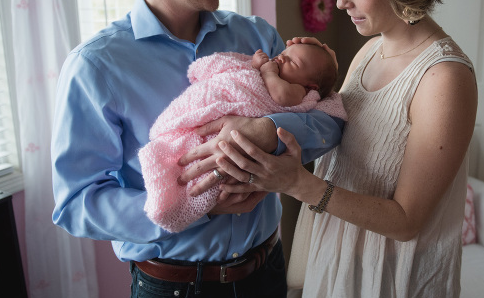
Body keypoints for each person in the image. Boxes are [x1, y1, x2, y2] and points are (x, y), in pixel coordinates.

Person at [50, 0, 344, 298]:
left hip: (265, 275)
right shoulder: (96, 67)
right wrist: (191, 209)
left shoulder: (257, 38)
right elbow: (75, 203)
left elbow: (328, 119)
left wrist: (266, 129)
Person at [208, 0, 478, 298]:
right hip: (353, 275)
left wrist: (298, 184)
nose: (338, 2)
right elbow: (344, 141)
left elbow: (408, 220)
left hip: (394, 290)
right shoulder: (370, 50)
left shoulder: (443, 78)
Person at [140, 43, 346, 233]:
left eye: (292, 61)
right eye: (283, 54)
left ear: (311, 87)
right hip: (167, 264)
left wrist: (266, 129)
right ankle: (169, 192)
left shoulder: (297, 90)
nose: (281, 58)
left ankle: (174, 199)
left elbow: (285, 99)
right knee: (176, 153)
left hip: (264, 253)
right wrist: (254, 65)